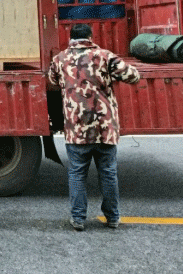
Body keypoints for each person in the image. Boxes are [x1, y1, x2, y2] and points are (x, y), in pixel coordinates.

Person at [47, 23, 140, 231]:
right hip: (104, 128)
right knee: (108, 173)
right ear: (90, 36)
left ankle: (78, 219)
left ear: (71, 39)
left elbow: (52, 81)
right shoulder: (105, 56)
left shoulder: (59, 59)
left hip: (76, 129)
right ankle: (113, 218)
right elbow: (133, 76)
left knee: (77, 174)